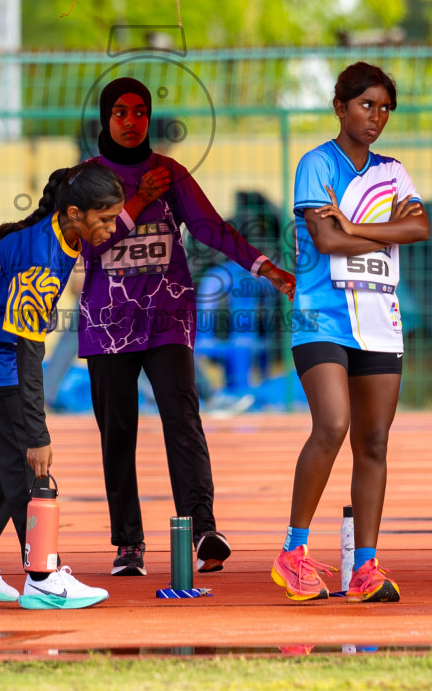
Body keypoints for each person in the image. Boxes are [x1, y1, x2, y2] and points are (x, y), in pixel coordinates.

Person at [79, 77, 295, 578]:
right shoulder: (86, 178)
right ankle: (128, 544)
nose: (131, 122)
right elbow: (89, 244)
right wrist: (134, 206)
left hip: (166, 319)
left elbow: (210, 228)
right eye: (120, 113)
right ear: (105, 120)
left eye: (140, 112)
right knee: (118, 433)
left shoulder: (169, 173)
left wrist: (265, 266)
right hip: (107, 324)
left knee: (183, 417)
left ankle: (203, 531)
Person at [0, 162, 124, 610]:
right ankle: (42, 575)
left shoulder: (60, 230)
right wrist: (39, 437)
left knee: (11, 452)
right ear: (75, 213)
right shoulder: (42, 257)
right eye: (105, 219)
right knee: (28, 459)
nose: (112, 228)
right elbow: (29, 351)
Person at [271, 62, 429, 603]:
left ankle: (365, 567)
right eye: (366, 105)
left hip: (379, 323)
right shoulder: (316, 164)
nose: (376, 116)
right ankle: (293, 552)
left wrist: (357, 225)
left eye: (385, 107)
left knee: (375, 441)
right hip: (322, 317)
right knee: (333, 424)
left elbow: (420, 228)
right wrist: (384, 234)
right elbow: (326, 240)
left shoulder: (395, 171)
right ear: (340, 107)